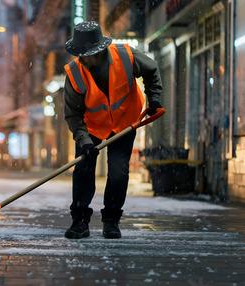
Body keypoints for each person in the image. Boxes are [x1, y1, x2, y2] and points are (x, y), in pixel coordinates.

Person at [63, 21, 163, 239]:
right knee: (82, 171)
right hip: (91, 127)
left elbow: (152, 69)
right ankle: (79, 221)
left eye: (85, 54)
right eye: (78, 54)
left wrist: (154, 98)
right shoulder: (74, 72)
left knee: (118, 172)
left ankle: (111, 221)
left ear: (98, 51)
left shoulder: (126, 56)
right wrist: (85, 142)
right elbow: (73, 115)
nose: (81, 59)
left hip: (124, 123)